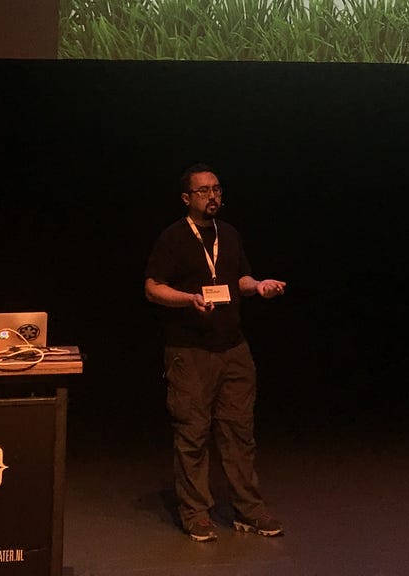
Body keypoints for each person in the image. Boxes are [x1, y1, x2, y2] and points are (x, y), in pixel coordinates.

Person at [144, 163, 286, 542]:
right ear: (186, 198)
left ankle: (248, 509)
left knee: (240, 432)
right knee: (192, 434)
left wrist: (259, 286)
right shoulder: (173, 238)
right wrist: (189, 299)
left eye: (217, 189)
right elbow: (152, 287)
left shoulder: (230, 234)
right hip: (190, 351)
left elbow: (239, 279)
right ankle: (196, 513)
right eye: (204, 191)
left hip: (233, 347)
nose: (212, 196)